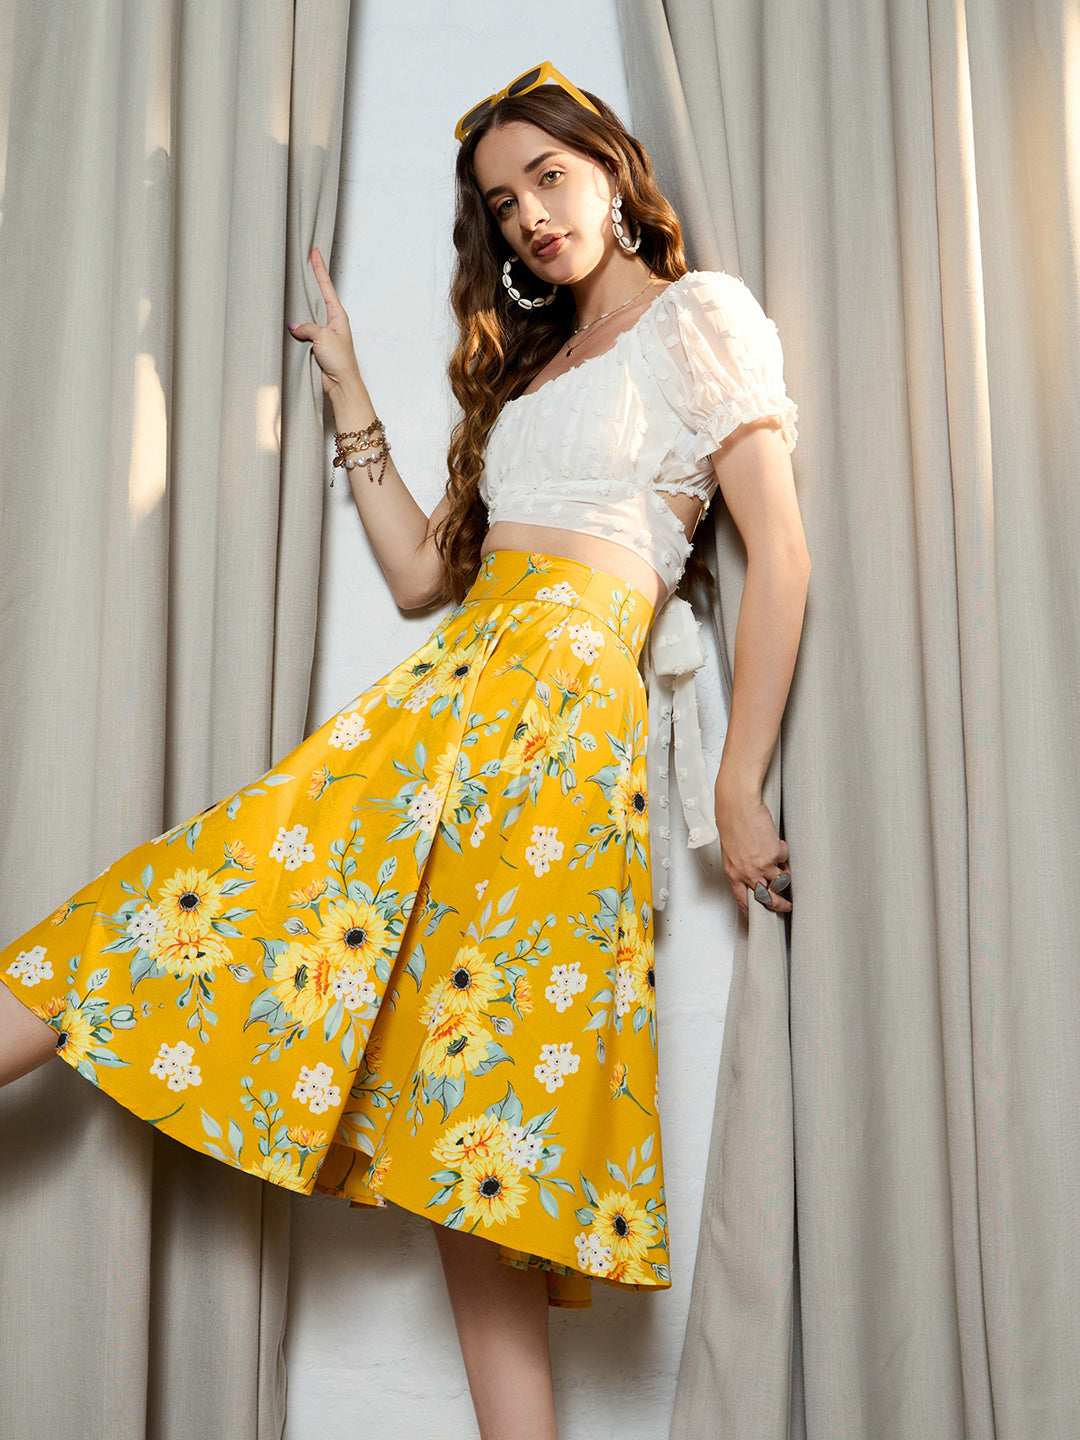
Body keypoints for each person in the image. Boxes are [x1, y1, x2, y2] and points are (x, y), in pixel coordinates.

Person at [0, 63, 808, 1440]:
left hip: (562, 750)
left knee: (475, 1150)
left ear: (612, 173)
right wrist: (348, 385)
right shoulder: (531, 376)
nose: (531, 216)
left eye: (550, 178)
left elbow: (779, 554)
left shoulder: (700, 318)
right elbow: (428, 576)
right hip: (439, 713)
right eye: (503, 203)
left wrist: (738, 784)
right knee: (162, 914)